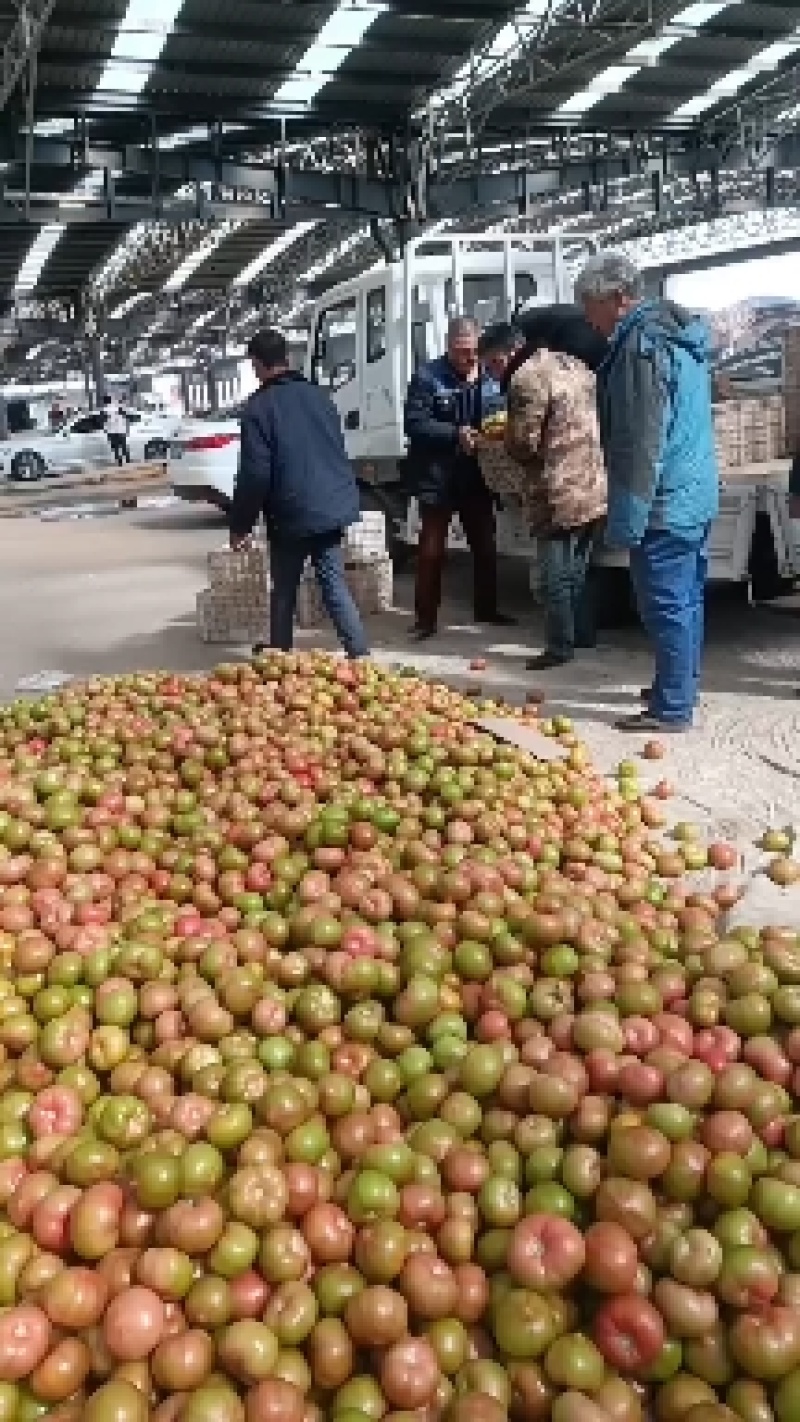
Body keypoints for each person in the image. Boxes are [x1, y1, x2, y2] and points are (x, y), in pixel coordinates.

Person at [575, 253, 719, 733]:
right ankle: (677, 685)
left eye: (590, 306)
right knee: (686, 598)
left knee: (665, 603)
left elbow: (640, 443)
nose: (587, 318)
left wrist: (628, 520)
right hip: (694, 491)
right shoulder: (679, 337)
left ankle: (672, 707)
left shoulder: (642, 346)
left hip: (665, 499)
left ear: (617, 299)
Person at [229, 327, 369, 660]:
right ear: (288, 359)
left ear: (257, 365)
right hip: (331, 505)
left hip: (291, 511)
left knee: (285, 589)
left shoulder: (259, 408)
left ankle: (280, 654)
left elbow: (255, 473)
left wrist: (240, 525)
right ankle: (359, 655)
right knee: (333, 584)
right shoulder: (320, 397)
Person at [478, 312, 608, 670]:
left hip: (556, 491)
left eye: (492, 365)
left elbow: (523, 443)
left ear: (508, 353)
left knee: (554, 574)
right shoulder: (572, 363)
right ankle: (582, 634)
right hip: (592, 484)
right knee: (580, 567)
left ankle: (559, 646)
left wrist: (496, 442)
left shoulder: (525, 378)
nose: (493, 375)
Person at [403, 315, 515, 640]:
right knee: (432, 551)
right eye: (461, 351)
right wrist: (454, 434)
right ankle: (425, 620)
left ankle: (487, 609)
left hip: (477, 477)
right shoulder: (427, 378)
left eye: (473, 351)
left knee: (485, 545)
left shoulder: (490, 377)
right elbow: (415, 423)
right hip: (438, 477)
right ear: (449, 347)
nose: (468, 358)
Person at [103, 396, 130, 466]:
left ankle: (119, 460)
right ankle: (127, 458)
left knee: (115, 447)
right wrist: (126, 429)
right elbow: (125, 418)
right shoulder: (119, 407)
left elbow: (107, 421)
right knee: (123, 445)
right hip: (121, 430)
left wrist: (106, 429)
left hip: (112, 431)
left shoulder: (106, 410)